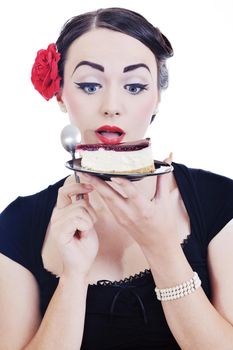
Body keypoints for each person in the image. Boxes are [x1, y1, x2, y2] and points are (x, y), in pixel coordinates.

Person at [0, 7, 233, 350]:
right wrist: (73, 277)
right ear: (61, 94)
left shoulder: (220, 202)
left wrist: (161, 248)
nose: (112, 105)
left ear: (157, 98)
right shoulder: (18, 224)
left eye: (135, 86)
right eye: (90, 85)